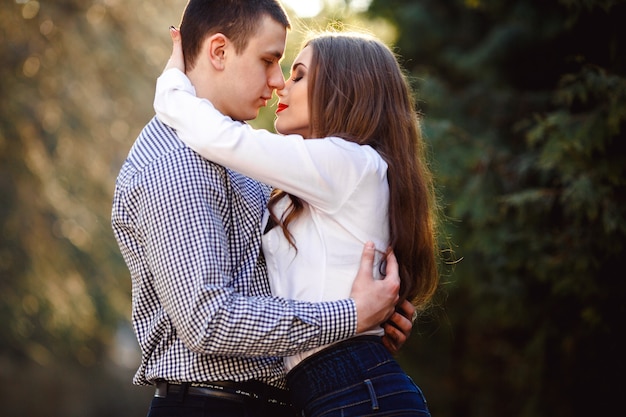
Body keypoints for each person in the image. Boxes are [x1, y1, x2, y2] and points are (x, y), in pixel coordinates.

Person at [111, 1, 414, 417]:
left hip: (303, 398)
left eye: (291, 70)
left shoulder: (254, 165)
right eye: (270, 61)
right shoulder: (174, 162)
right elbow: (208, 321)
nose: (277, 83)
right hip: (213, 405)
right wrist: (352, 316)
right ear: (218, 51)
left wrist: (375, 317)